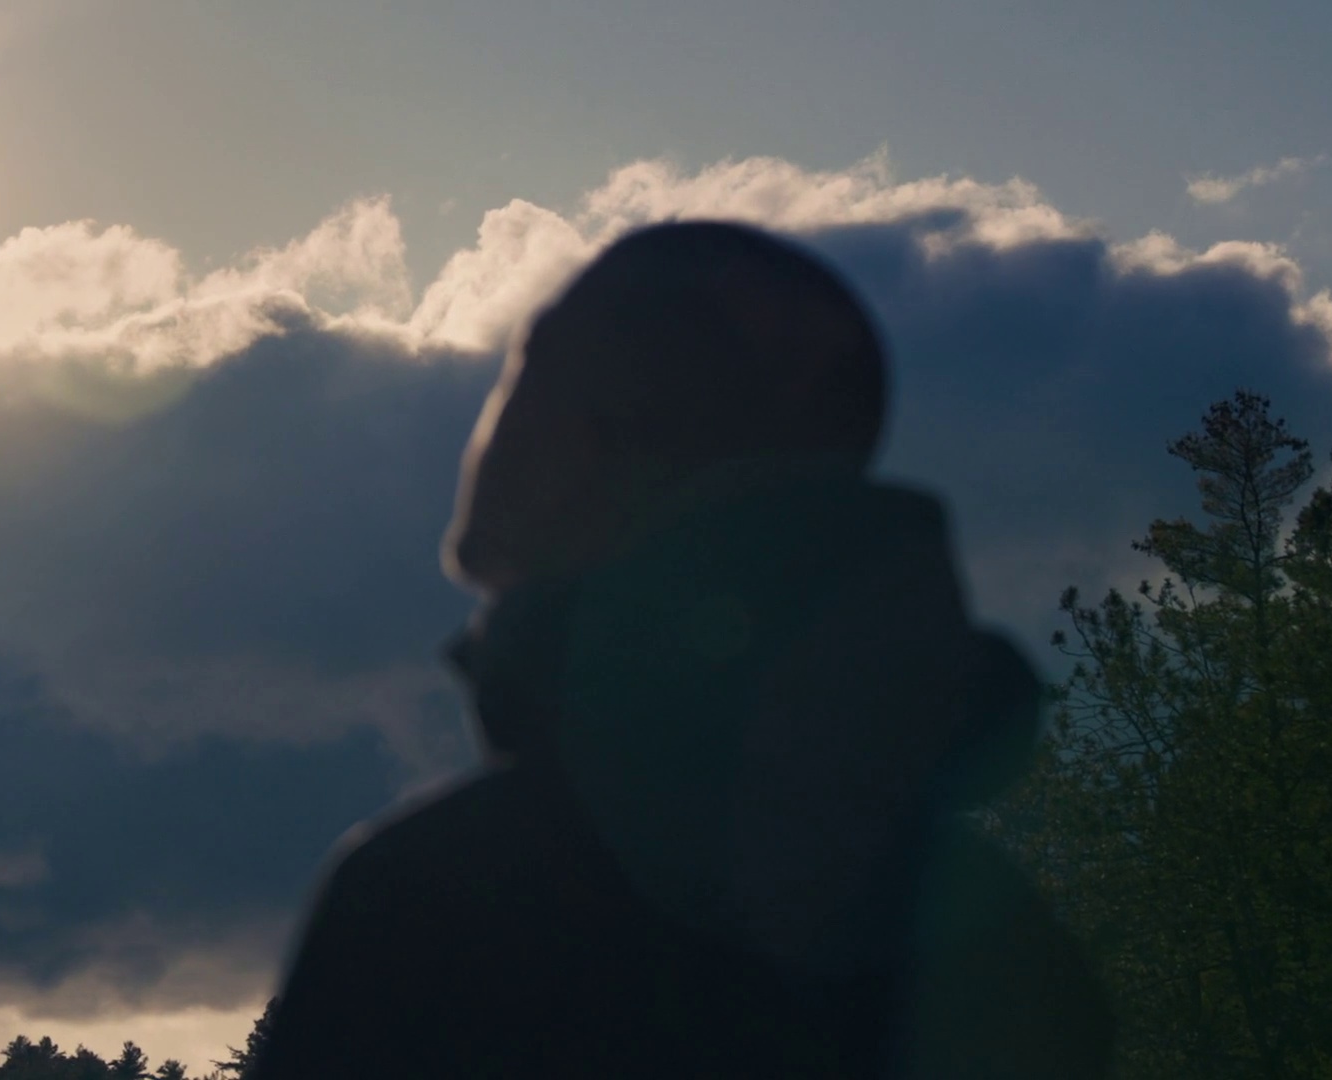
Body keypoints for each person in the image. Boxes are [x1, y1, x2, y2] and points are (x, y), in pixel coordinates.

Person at [249, 221, 1114, 1079]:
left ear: (603, 434)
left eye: (537, 373)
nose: (505, 424)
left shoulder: (438, 902)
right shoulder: (1001, 941)